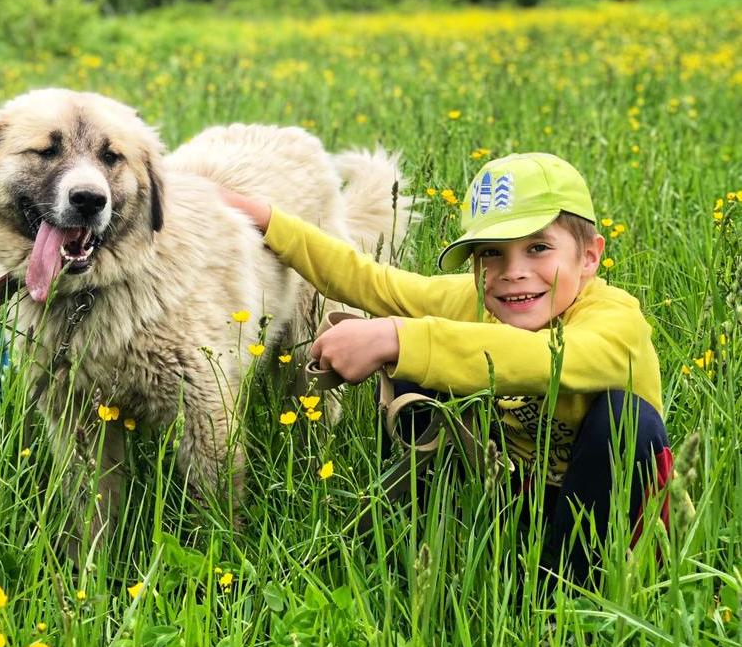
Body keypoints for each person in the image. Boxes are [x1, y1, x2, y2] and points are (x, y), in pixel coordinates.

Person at [224, 152, 670, 584]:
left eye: (538, 248)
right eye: (491, 254)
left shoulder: (617, 324)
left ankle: (570, 599)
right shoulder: (473, 300)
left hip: (604, 511)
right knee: (416, 366)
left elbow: (546, 357)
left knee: (625, 417)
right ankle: (418, 542)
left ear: (590, 257)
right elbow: (373, 282)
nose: (513, 272)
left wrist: (394, 337)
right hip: (509, 493)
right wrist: (268, 220)